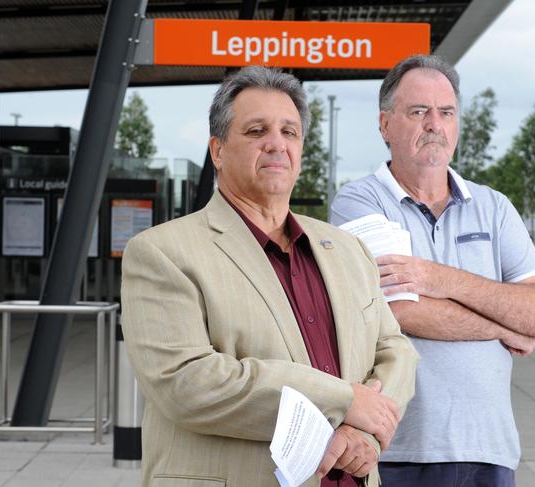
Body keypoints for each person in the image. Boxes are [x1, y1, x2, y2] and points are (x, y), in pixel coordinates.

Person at [121, 65, 419, 487]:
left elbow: (395, 349)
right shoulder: (162, 253)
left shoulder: (348, 250)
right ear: (218, 150)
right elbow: (187, 384)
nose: (276, 144)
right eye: (257, 131)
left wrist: (364, 430)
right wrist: (344, 402)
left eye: (289, 132)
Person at [330, 55, 535, 487]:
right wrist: (502, 327)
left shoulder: (493, 207)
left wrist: (438, 278)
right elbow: (399, 311)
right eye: (418, 111)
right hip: (397, 448)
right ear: (385, 125)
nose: (433, 124)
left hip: (490, 449)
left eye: (446, 112)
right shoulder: (360, 202)